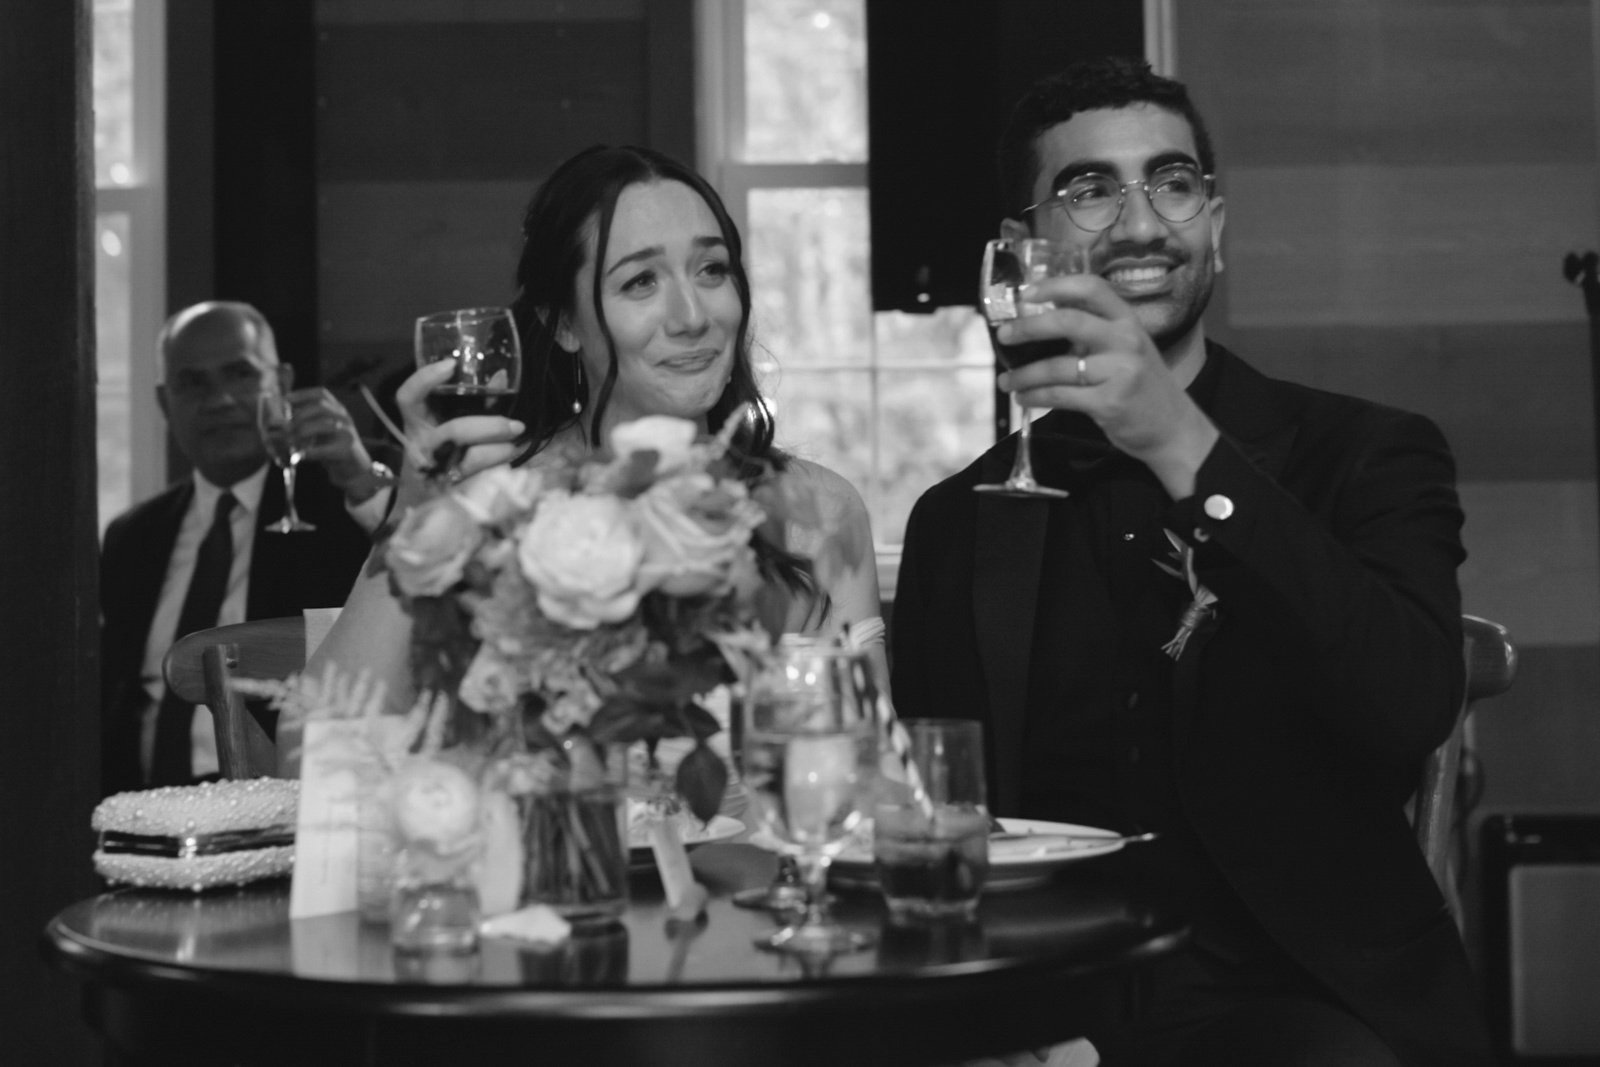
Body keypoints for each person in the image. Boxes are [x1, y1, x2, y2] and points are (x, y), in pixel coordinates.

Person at [890, 57, 1494, 1066]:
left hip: (1304, 994)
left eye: (1171, 184)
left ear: (1214, 221)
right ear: (1020, 247)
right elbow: (936, 807)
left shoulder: (1367, 452)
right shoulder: (960, 515)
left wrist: (1181, 444)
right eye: (1089, 190)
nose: (1139, 222)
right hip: (1044, 996)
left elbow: (1408, 702)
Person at [298, 145, 883, 769]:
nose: (693, 316)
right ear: (564, 324)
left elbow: (868, 766)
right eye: (641, 281)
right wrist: (412, 525)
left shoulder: (818, 509)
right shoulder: (495, 501)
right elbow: (312, 757)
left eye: (712, 270)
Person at [100, 301, 391, 793]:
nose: (218, 400)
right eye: (192, 382)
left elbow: (421, 568)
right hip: (149, 810)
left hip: (294, 805)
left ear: (280, 381)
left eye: (239, 374)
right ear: (163, 401)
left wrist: (361, 480)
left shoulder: (342, 494)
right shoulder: (133, 536)